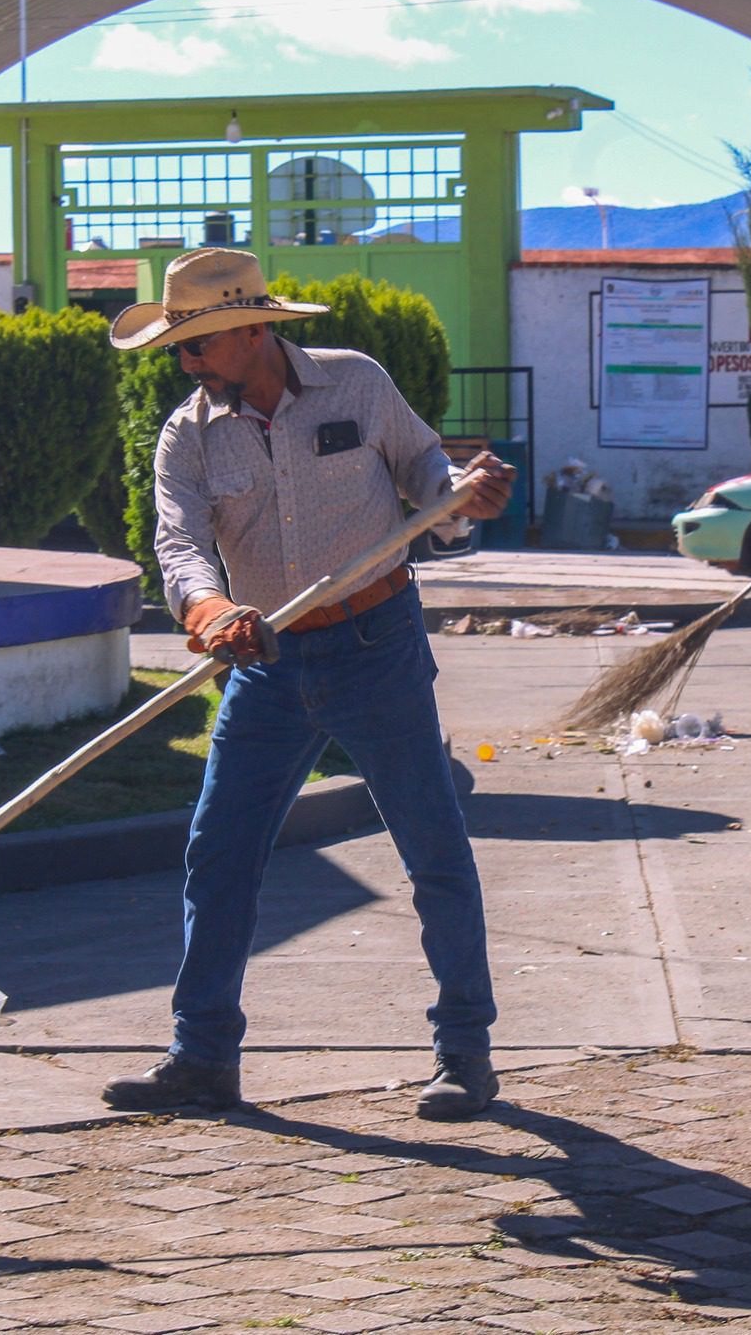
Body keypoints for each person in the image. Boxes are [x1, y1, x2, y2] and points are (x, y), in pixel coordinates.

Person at [100, 247, 516, 1120]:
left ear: (251, 330)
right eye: (178, 347)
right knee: (218, 854)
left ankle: (465, 1052)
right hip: (265, 659)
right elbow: (177, 545)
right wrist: (212, 612)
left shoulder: (356, 385)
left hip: (377, 643)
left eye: (197, 344)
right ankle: (203, 1054)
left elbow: (424, 470)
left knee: (433, 848)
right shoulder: (189, 433)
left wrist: (458, 499)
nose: (185, 362)